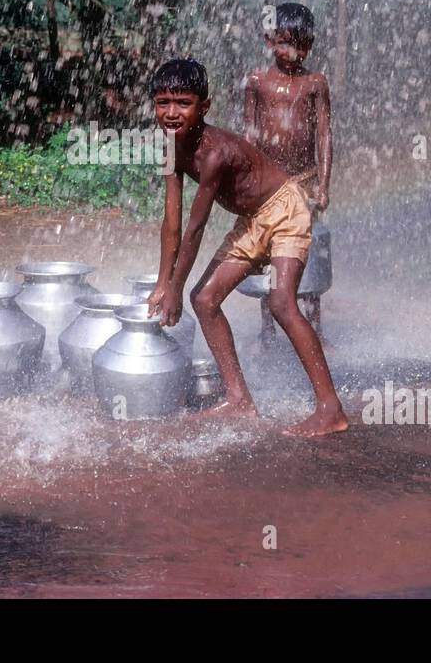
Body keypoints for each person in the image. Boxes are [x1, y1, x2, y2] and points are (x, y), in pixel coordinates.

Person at [146, 58, 348, 437]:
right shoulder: (169, 149)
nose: (171, 113)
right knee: (204, 300)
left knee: (282, 302)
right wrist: (162, 283)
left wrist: (174, 289)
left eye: (183, 103)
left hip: (287, 208)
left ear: (204, 107)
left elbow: (195, 227)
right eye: (163, 103)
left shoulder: (215, 152)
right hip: (252, 220)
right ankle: (239, 400)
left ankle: (330, 409)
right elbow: (172, 222)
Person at [244, 3, 332, 339]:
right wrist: (247, 182)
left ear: (309, 45)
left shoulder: (315, 83)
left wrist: (323, 185)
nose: (290, 53)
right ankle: (268, 328)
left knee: (305, 252)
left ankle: (315, 329)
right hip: (268, 182)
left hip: (304, 181)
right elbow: (249, 134)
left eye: (299, 45)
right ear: (270, 40)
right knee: (268, 251)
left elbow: (324, 135)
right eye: (282, 43)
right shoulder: (257, 81)